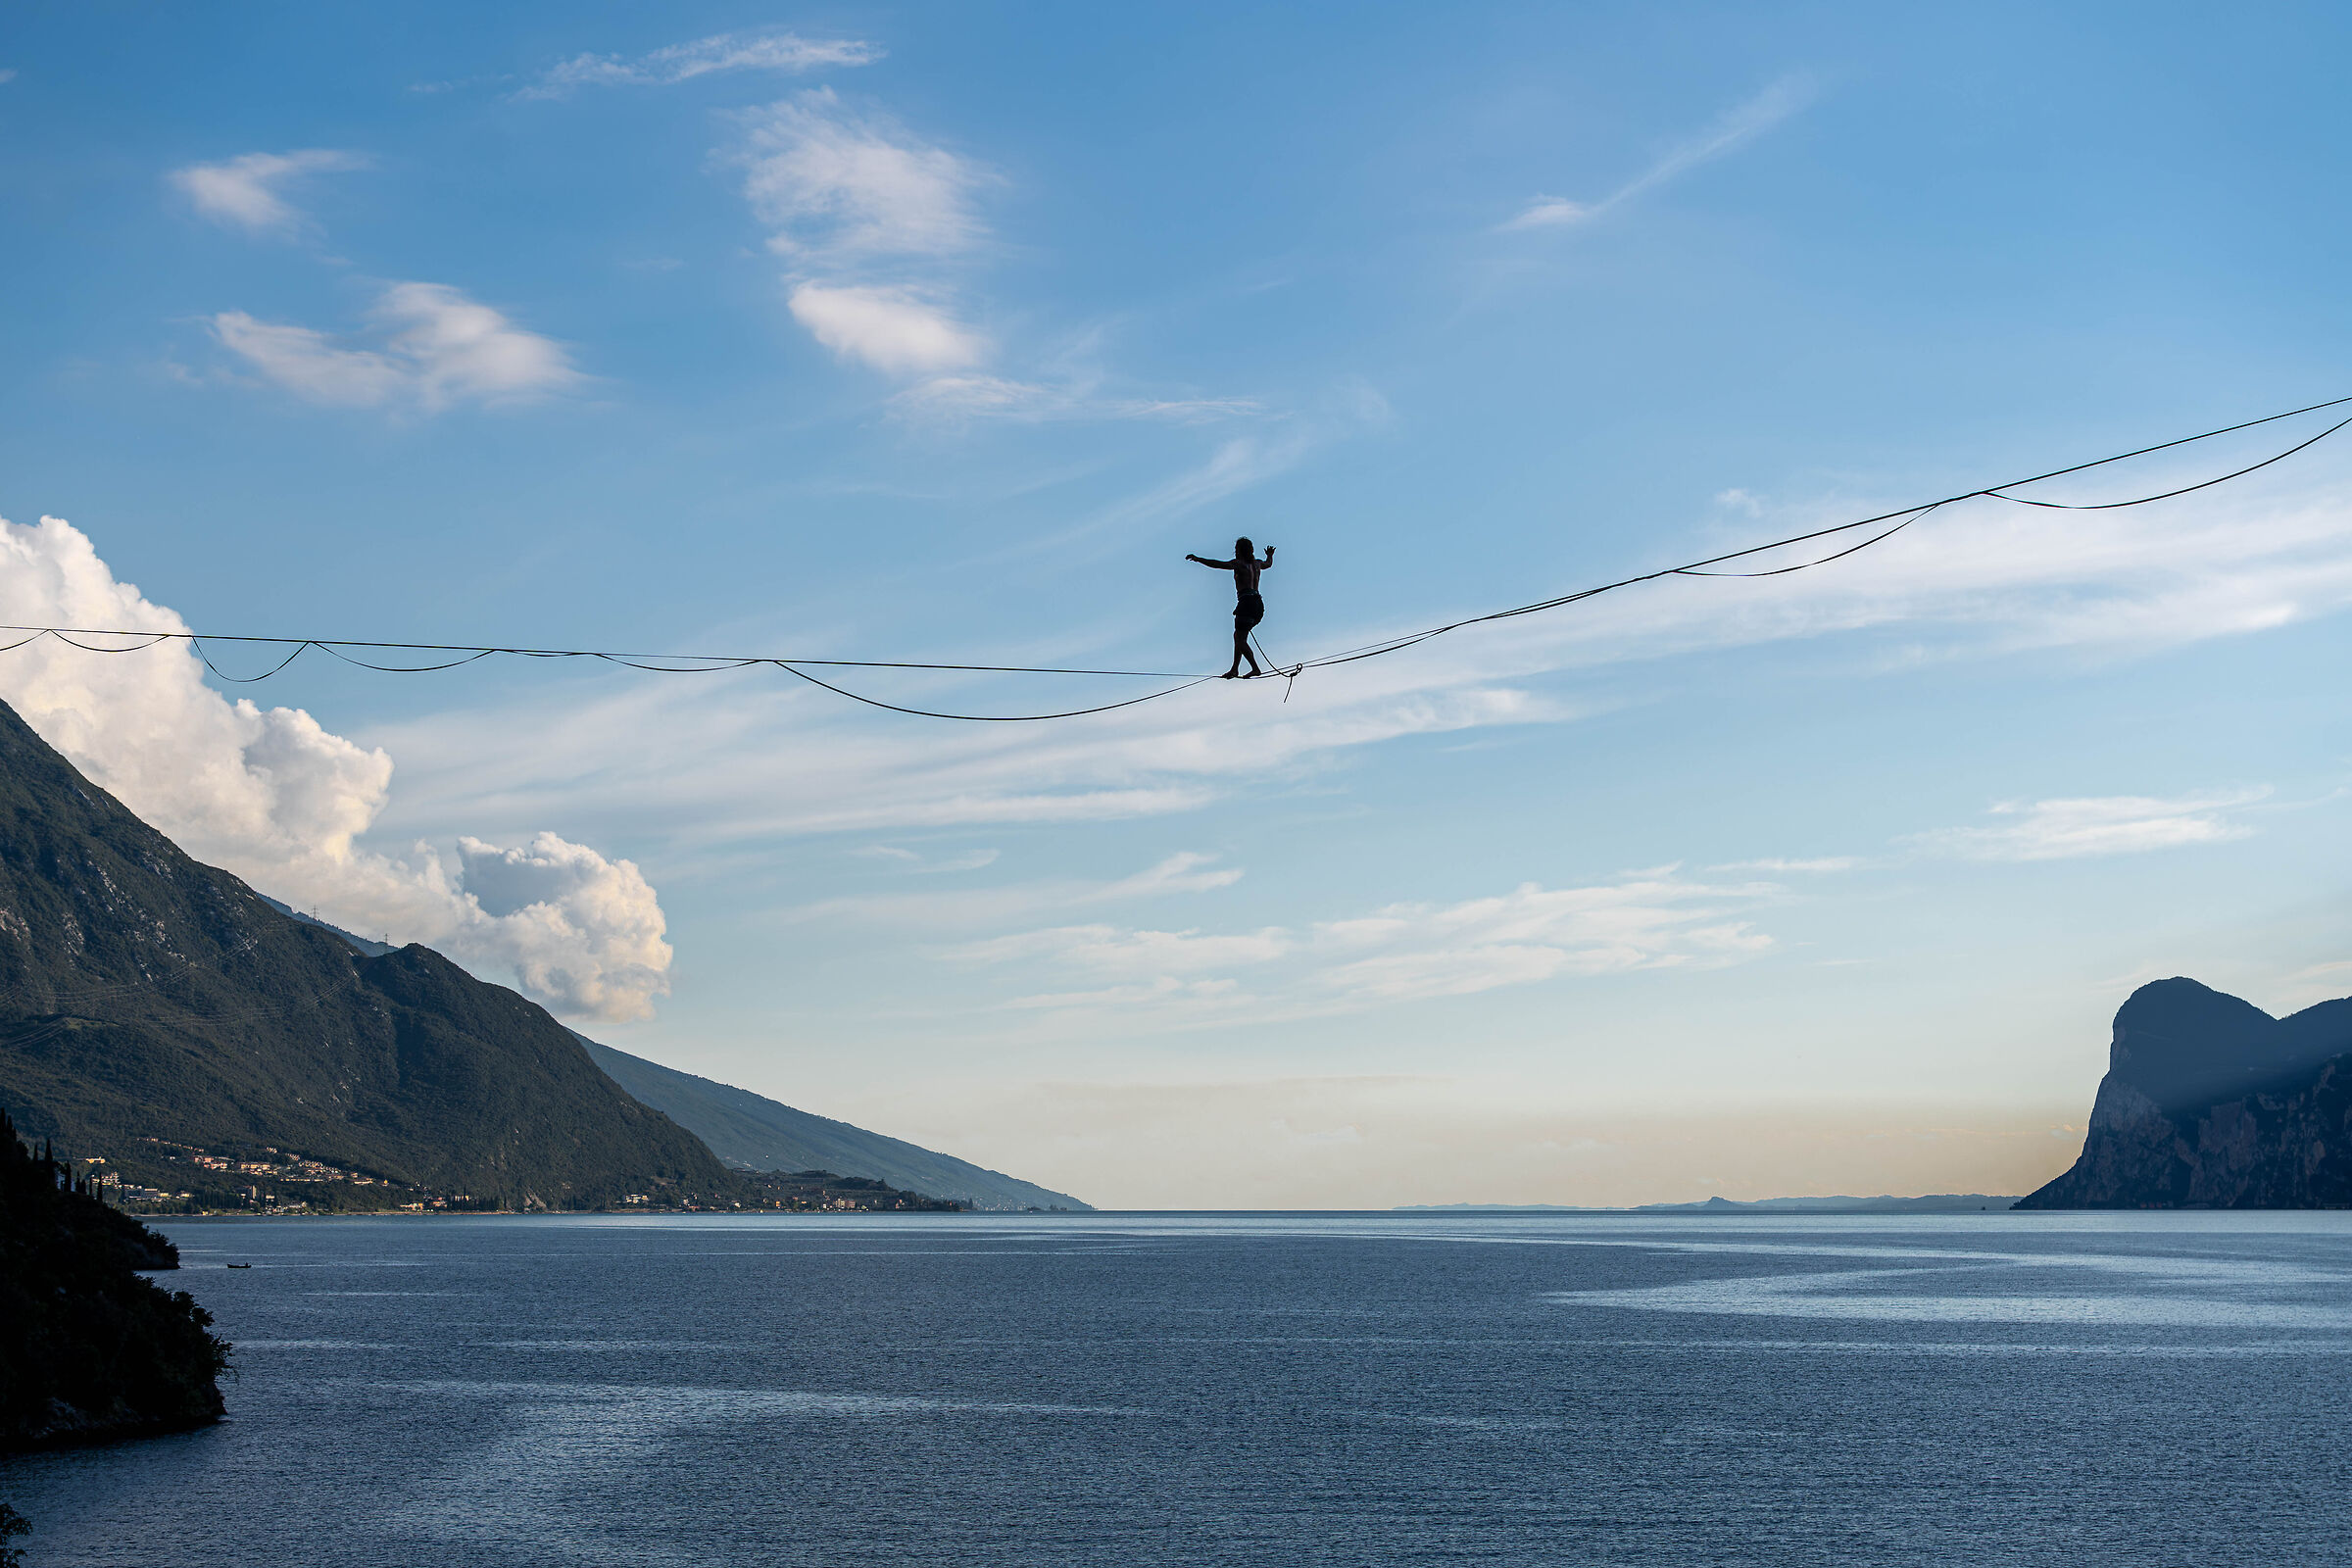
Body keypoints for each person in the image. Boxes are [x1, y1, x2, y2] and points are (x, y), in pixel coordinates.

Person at [1185, 537, 1277, 679]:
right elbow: (1269, 564)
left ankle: (1255, 668)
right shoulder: (1258, 564)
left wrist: (1198, 559)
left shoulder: (1239, 564)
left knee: (1240, 639)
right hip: (1258, 605)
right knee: (1239, 637)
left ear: (1239, 551)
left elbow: (1216, 564)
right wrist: (1270, 555)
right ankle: (1234, 669)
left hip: (1246, 603)